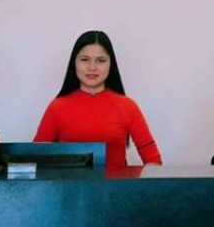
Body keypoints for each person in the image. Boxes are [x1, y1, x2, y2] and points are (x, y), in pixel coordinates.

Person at [34, 30, 162, 169]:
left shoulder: (128, 107)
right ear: (74, 63)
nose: (92, 67)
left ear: (111, 64)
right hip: (69, 184)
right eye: (85, 60)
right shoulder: (56, 107)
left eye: (100, 61)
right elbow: (34, 160)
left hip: (117, 184)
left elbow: (153, 161)